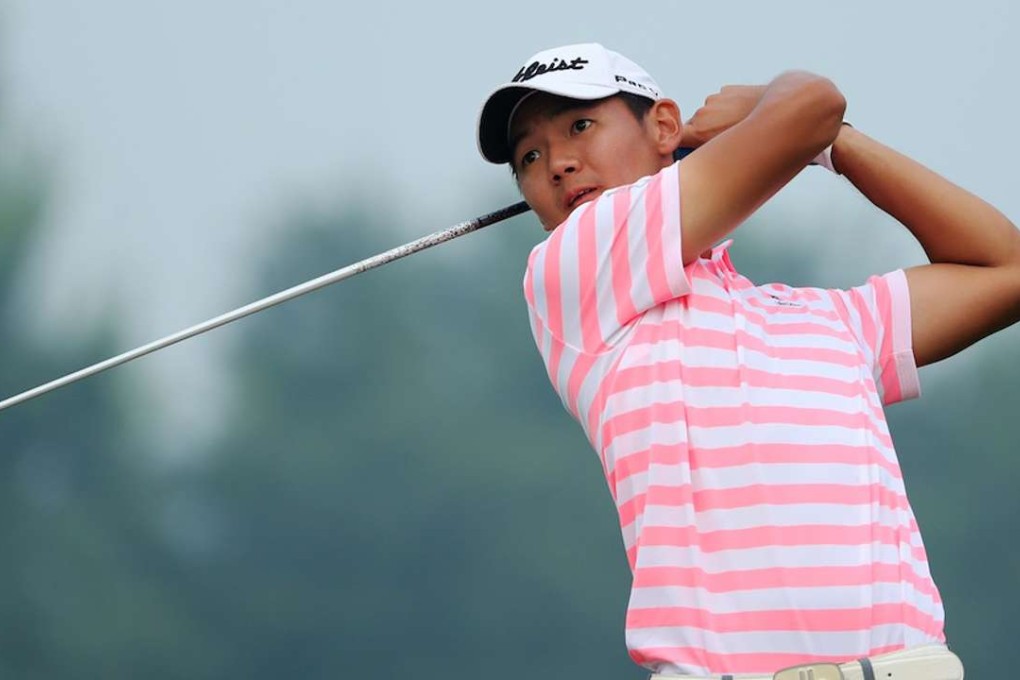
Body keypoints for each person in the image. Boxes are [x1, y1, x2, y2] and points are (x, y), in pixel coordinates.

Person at [475, 43, 1020, 679]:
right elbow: (813, 101)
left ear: (664, 127)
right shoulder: (573, 268)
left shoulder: (830, 320)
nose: (558, 164)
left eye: (580, 126)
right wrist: (771, 108)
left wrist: (837, 144)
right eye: (529, 157)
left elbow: (1004, 269)